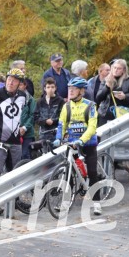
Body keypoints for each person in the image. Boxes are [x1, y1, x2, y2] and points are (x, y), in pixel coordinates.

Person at [53, 77, 102, 215]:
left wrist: (82, 140)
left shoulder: (90, 105)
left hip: (87, 143)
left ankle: (97, 203)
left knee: (92, 172)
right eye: (69, 89)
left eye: (74, 89)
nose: (71, 92)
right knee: (69, 171)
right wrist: (58, 138)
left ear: (82, 91)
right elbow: (62, 124)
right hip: (72, 143)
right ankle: (66, 201)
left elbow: (92, 126)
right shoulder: (66, 106)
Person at [95, 58, 129, 127]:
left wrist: (125, 96)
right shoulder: (106, 80)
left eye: (119, 68)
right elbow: (98, 98)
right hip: (106, 114)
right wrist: (107, 86)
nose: (116, 70)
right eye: (114, 68)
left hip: (123, 114)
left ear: (123, 70)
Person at [35, 77, 65, 145]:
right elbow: (36, 117)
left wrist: (53, 121)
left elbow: (63, 116)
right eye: (48, 87)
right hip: (43, 134)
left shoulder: (60, 101)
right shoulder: (40, 102)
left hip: (56, 134)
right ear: (45, 88)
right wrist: (45, 121)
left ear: (55, 88)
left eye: (52, 87)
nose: (50, 89)